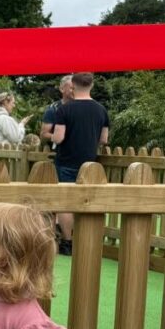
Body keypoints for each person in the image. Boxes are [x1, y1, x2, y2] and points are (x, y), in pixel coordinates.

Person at [52, 72, 110, 255]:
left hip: (66, 161)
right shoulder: (101, 110)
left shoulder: (64, 110)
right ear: (91, 86)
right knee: (86, 201)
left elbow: (59, 138)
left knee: (66, 202)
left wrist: (52, 136)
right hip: (89, 164)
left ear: (73, 86)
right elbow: (104, 139)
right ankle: (84, 241)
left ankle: (67, 242)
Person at [39, 74, 74, 146]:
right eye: (71, 88)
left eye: (76, 88)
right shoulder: (53, 109)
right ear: (62, 89)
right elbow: (43, 135)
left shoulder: (82, 107)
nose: (74, 91)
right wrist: (59, 137)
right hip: (58, 152)